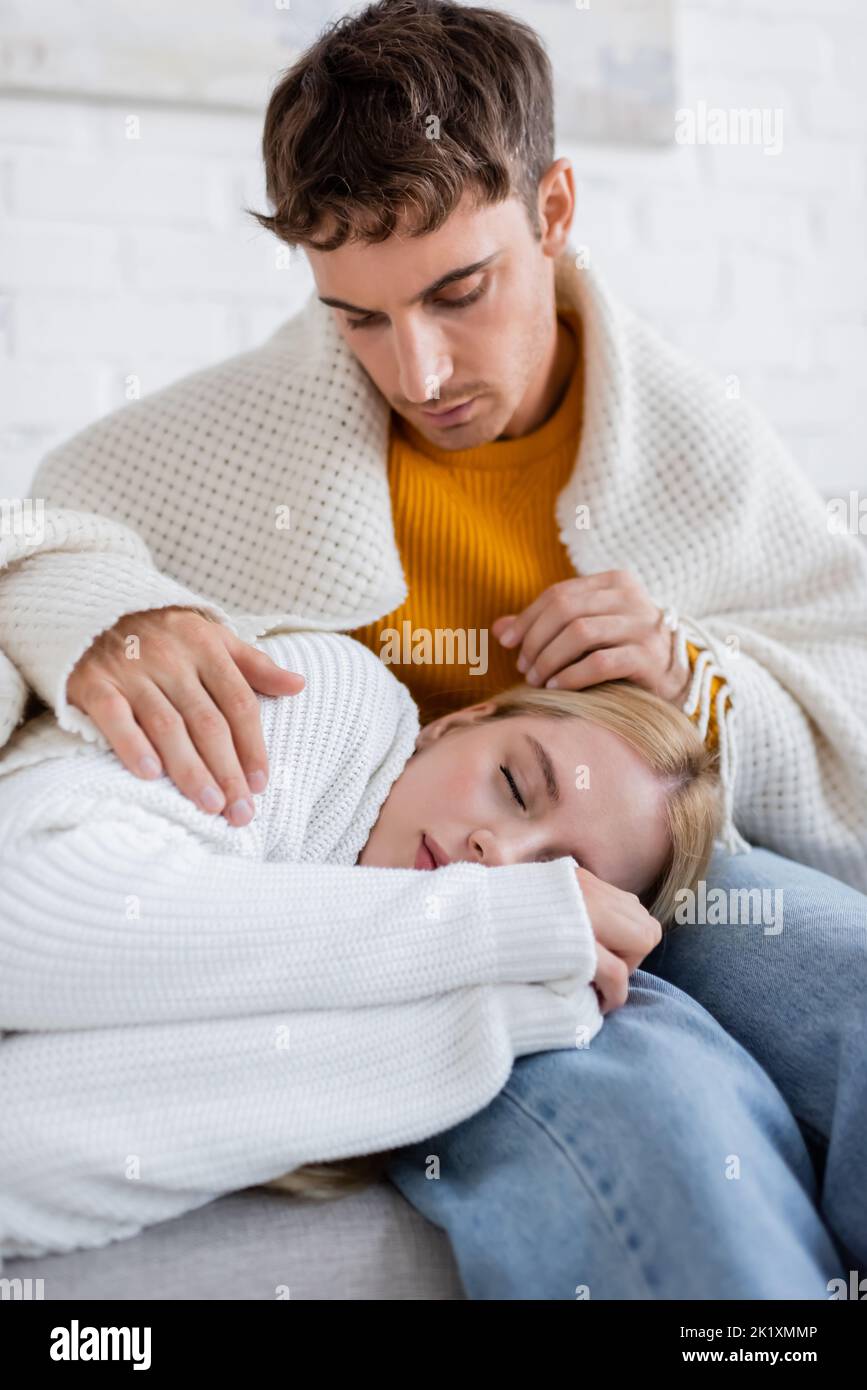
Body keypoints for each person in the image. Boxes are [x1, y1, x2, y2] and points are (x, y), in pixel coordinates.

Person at [0, 0, 865, 1296]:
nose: (416, 367)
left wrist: (701, 681)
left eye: (460, 291)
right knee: (662, 1118)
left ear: (553, 208)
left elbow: (835, 669)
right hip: (393, 911)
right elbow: (49, 534)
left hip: (675, 863)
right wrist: (97, 609)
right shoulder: (222, 443)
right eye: (357, 315)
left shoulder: (690, 436)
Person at [0, 630, 720, 1257]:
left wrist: (493, 1020)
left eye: (553, 874)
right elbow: (24, 919)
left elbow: (22, 1143)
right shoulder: (339, 701)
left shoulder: (450, 979)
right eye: (513, 783)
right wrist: (499, 919)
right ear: (460, 722)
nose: (497, 854)